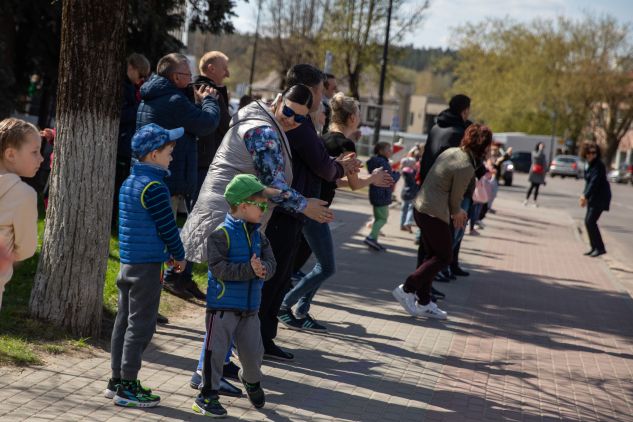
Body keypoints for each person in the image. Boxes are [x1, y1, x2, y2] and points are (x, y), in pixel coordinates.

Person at [181, 84, 333, 385]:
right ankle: (206, 373)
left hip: (236, 220)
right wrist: (304, 205)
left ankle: (218, 366)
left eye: (300, 118)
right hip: (227, 220)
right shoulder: (261, 131)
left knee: (232, 301)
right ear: (278, 101)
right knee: (224, 305)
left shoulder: (266, 124)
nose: (292, 120)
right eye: (288, 111)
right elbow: (272, 183)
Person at [259, 64, 361, 360]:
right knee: (274, 278)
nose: (323, 96)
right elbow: (322, 164)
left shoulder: (303, 123)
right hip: (287, 210)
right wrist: (340, 166)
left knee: (280, 276)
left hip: (294, 209)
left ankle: (264, 337)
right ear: (307, 90)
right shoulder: (300, 126)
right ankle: (260, 338)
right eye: (319, 90)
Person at [278, 93, 392, 332]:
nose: (360, 120)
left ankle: (301, 308)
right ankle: (285, 304)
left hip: (309, 206)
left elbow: (330, 180)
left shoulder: (324, 138)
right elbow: (354, 184)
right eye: (359, 115)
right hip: (314, 211)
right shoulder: (346, 145)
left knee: (319, 263)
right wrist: (374, 178)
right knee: (327, 267)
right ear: (351, 118)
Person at [105, 123, 186, 408]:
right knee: (142, 326)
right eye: (169, 151)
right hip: (147, 267)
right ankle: (128, 385)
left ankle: (116, 379)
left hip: (129, 263)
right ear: (153, 155)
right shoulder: (155, 187)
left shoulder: (130, 182)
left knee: (124, 321)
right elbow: (167, 227)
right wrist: (179, 254)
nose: (172, 157)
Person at [192, 174, 276, 418]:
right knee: (214, 354)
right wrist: (249, 269)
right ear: (243, 205)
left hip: (250, 309)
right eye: (260, 204)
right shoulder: (220, 235)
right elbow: (219, 269)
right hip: (223, 309)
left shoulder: (260, 236)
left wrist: (264, 270)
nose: (264, 209)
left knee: (253, 355)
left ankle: (251, 381)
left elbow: (272, 262)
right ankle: (206, 396)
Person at [393, 124, 492, 320]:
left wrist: (456, 210)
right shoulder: (465, 165)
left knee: (432, 256)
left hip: (422, 208)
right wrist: (459, 212)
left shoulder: (453, 152)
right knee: (445, 256)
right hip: (433, 213)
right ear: (483, 146)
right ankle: (407, 288)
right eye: (489, 145)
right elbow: (455, 199)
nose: (490, 149)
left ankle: (424, 301)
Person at [162, 51, 233, 301]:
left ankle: (182, 276)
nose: (228, 72)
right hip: (201, 164)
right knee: (197, 222)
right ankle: (174, 275)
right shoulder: (203, 89)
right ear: (211, 67)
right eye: (224, 67)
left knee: (199, 222)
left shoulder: (212, 89)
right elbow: (220, 123)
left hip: (204, 162)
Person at [136, 53, 220, 219]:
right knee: (164, 237)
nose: (191, 79)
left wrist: (195, 103)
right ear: (175, 76)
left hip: (148, 178)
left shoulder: (152, 95)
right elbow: (207, 123)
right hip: (166, 181)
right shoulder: (174, 100)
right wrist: (209, 100)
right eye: (188, 74)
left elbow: (183, 121)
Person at [417, 94, 472, 278]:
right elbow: (458, 166)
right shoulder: (458, 132)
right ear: (464, 111)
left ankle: (425, 284)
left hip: (427, 186)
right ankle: (423, 282)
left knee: (427, 241)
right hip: (444, 193)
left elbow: (426, 157)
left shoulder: (436, 127)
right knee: (442, 243)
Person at [0, 118, 42, 311]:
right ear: (10, 154)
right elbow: (26, 248)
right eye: (34, 152)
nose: (41, 158)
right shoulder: (24, 195)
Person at [364, 142, 400, 251]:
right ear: (381, 151)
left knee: (378, 218)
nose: (391, 151)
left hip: (376, 194)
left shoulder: (375, 161)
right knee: (383, 219)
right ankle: (371, 237)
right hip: (382, 194)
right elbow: (390, 179)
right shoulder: (383, 162)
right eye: (388, 149)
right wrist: (397, 174)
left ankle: (373, 239)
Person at [579, 141, 611, 257]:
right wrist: (584, 195)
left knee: (590, 221)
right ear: (585, 153)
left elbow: (594, 182)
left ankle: (600, 248)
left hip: (600, 197)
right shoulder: (589, 164)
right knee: (588, 222)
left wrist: (586, 195)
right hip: (593, 197)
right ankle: (594, 247)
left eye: (594, 153)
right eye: (590, 152)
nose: (592, 155)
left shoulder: (598, 165)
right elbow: (588, 183)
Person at [400, 154, 418, 232]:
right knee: (411, 209)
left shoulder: (403, 172)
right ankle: (408, 222)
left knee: (404, 209)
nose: (415, 165)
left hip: (404, 193)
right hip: (412, 193)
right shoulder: (412, 172)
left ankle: (402, 224)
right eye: (414, 164)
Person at [524, 142, 547, 206]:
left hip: (540, 172)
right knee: (531, 186)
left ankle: (535, 201)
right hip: (534, 172)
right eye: (541, 146)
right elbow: (537, 157)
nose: (542, 148)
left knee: (537, 188)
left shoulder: (543, 154)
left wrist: (544, 174)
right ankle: (526, 200)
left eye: (543, 147)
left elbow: (544, 164)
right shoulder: (534, 152)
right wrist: (540, 150)